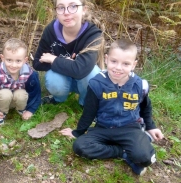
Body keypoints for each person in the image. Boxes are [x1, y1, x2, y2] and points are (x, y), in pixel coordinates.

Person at [60, 38, 164, 175]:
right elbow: (89, 112)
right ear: (107, 59)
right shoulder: (96, 83)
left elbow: (145, 107)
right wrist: (77, 132)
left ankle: (141, 140)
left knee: (145, 158)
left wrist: (151, 126)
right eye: (114, 61)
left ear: (134, 65)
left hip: (130, 128)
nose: (118, 68)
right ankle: (123, 153)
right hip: (103, 127)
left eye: (126, 63)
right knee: (80, 147)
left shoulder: (140, 85)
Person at [32, 0, 104, 106]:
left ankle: (85, 103)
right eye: (61, 8)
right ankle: (59, 100)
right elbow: (37, 63)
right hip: (63, 78)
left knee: (93, 73)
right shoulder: (51, 30)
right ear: (56, 11)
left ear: (84, 9)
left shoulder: (93, 34)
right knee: (52, 77)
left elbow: (81, 70)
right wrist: (69, 64)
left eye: (73, 6)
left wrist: (55, 60)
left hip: (84, 80)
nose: (66, 13)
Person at [0, 38, 41, 126]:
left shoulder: (30, 75)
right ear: (2, 58)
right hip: (1, 100)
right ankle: (1, 113)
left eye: (18, 61)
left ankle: (21, 109)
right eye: (9, 60)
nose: (13, 65)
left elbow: (36, 94)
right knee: (5, 93)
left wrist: (30, 110)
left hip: (19, 100)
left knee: (21, 93)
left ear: (25, 60)